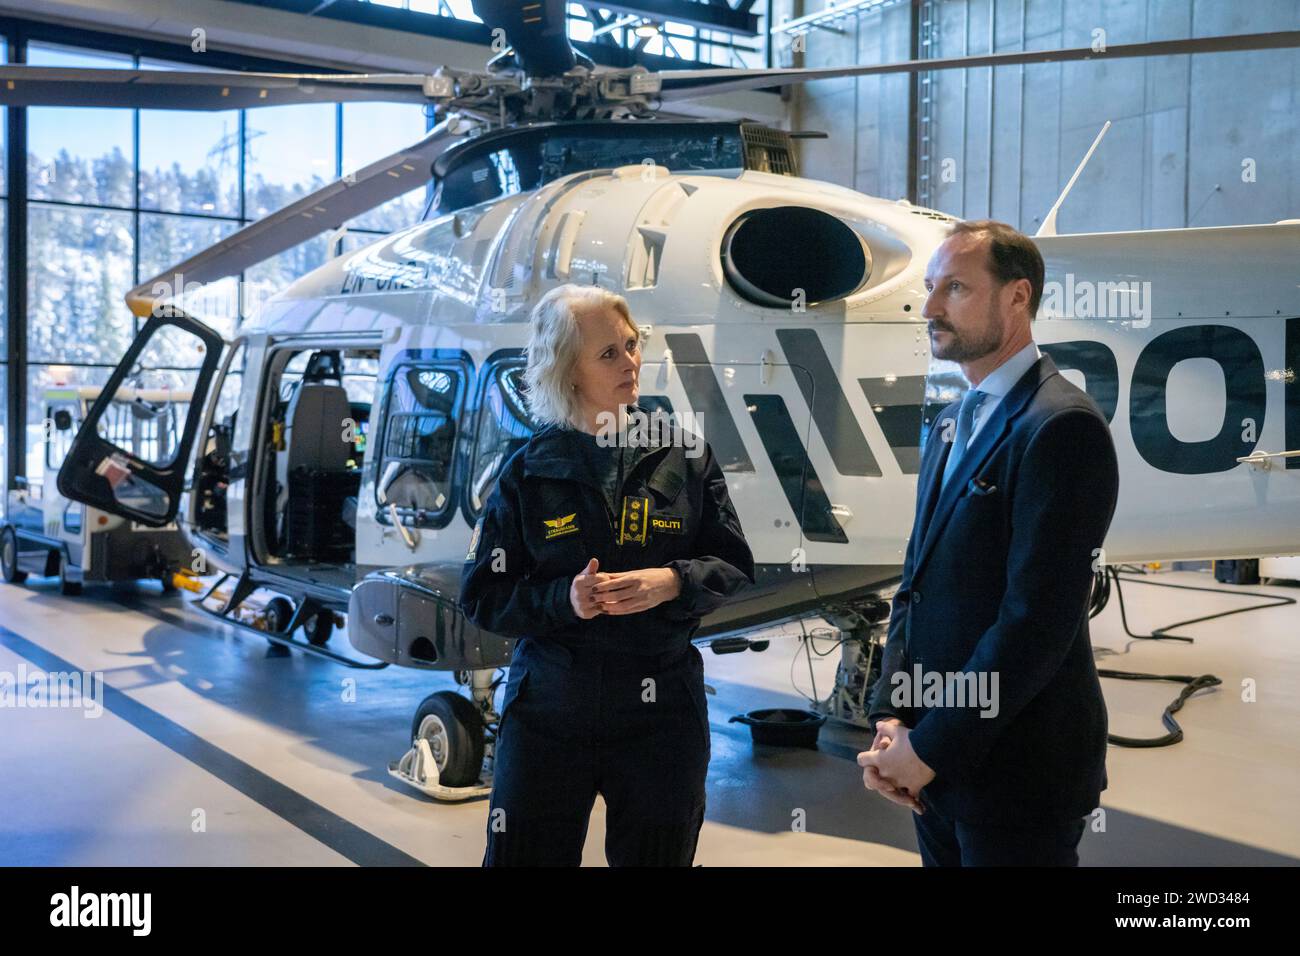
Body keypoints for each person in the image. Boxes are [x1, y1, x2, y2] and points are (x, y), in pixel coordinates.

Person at [459, 282, 755, 866]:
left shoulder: (685, 455)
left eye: (631, 345)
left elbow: (734, 566)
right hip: (549, 709)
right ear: (568, 371)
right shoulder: (526, 473)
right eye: (608, 354)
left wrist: (672, 582)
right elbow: (483, 595)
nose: (631, 363)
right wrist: (562, 600)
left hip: (660, 710)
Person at [858, 220, 1119, 866]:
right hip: (939, 768)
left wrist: (928, 749)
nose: (931, 308)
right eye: (929, 288)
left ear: (1017, 298)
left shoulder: (1061, 426)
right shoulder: (952, 422)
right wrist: (895, 716)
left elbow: (1036, 623)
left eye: (955, 288)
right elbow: (915, 582)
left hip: (1019, 777)